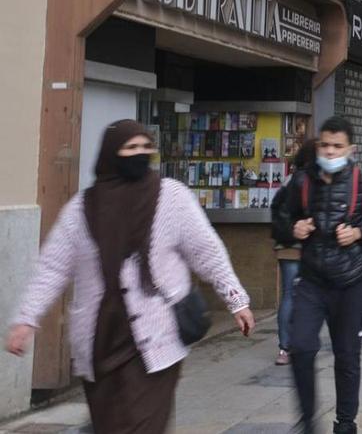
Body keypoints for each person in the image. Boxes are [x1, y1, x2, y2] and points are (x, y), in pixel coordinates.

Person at [6, 120, 255, 433]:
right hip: (100, 341)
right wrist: (27, 319)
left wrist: (236, 300)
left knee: (144, 424)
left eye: (145, 147)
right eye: (131, 148)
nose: (140, 154)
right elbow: (53, 267)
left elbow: (207, 251)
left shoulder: (172, 198)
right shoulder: (82, 208)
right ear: (112, 154)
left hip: (157, 338)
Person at [286, 117, 362, 434]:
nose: (330, 151)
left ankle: (345, 423)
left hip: (353, 281)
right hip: (311, 280)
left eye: (337, 146)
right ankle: (308, 421)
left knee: (347, 355)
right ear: (317, 145)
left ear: (351, 149)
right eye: (324, 145)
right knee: (301, 347)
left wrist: (361, 233)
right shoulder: (302, 182)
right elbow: (283, 218)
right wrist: (293, 227)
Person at [270, 138, 317, 366]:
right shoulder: (312, 180)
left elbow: (276, 209)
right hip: (304, 245)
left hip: (286, 247)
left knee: (289, 294)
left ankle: (285, 348)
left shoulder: (290, 179)